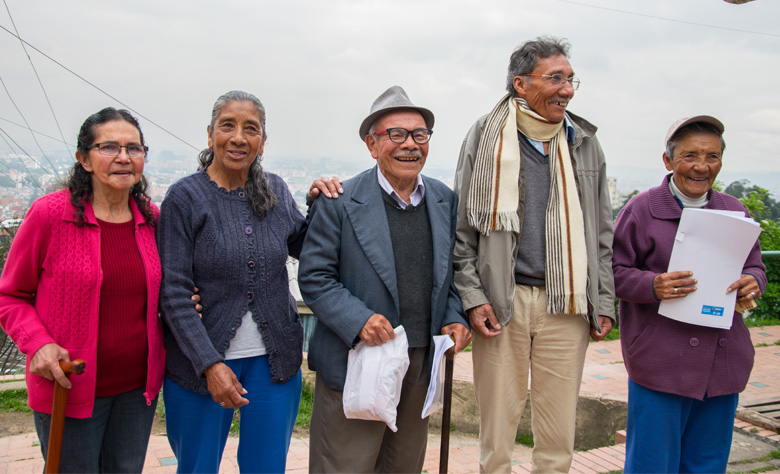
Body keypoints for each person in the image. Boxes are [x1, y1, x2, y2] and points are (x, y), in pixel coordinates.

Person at [452, 36, 615, 473]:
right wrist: (472, 297)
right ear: (521, 84)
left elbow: (601, 232)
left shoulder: (583, 141)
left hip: (567, 303)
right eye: (555, 78)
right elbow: (462, 232)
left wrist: (604, 301)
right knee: (497, 434)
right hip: (502, 304)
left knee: (559, 434)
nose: (568, 89)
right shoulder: (485, 136)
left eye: (570, 79)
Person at [298, 85, 471, 473]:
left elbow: (454, 271)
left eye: (419, 134)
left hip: (419, 362)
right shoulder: (339, 201)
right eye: (396, 134)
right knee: (345, 464)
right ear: (372, 145)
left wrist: (455, 315)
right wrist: (357, 319)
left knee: (403, 465)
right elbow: (314, 277)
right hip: (357, 360)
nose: (409, 144)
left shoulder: (444, 200)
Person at [157, 90, 313, 473]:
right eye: (228, 125)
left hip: (273, 364)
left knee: (267, 466)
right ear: (210, 134)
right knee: (197, 467)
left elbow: (310, 248)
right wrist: (210, 364)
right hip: (199, 366)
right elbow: (173, 292)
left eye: (251, 128)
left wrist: (325, 200)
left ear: (263, 141)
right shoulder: (185, 198)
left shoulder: (275, 190)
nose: (239, 137)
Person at [0, 108, 163, 472]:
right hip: (68, 384)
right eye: (109, 147)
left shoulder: (152, 219)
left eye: (134, 149)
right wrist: (38, 344)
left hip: (137, 391)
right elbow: (9, 295)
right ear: (84, 159)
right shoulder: (49, 215)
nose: (123, 157)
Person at [613, 115, 766, 474]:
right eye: (690, 156)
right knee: (652, 463)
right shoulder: (641, 210)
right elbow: (612, 273)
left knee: (707, 464)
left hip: (722, 362)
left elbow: (756, 266)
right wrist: (652, 285)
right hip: (660, 361)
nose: (702, 166)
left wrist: (752, 280)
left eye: (712, 156)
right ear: (668, 161)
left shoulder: (734, 210)